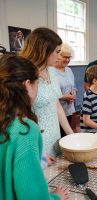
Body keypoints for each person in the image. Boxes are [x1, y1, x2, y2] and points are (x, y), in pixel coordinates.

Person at [0, 55, 69, 200]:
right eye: (37, 84)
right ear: (27, 84)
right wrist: (55, 197)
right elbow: (31, 196)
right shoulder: (25, 129)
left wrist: (37, 159)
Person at [20, 27, 74, 161]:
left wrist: (71, 135)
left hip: (55, 138)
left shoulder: (52, 71)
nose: (59, 56)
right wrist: (38, 152)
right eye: (57, 52)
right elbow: (21, 117)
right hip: (37, 142)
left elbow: (56, 106)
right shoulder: (25, 76)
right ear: (44, 50)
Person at [53, 43, 76, 137]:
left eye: (69, 57)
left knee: (67, 136)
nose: (67, 60)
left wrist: (73, 93)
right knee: (59, 137)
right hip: (56, 111)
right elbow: (50, 93)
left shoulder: (69, 70)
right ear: (58, 56)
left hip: (69, 109)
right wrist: (63, 97)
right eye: (64, 57)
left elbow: (73, 86)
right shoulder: (51, 71)